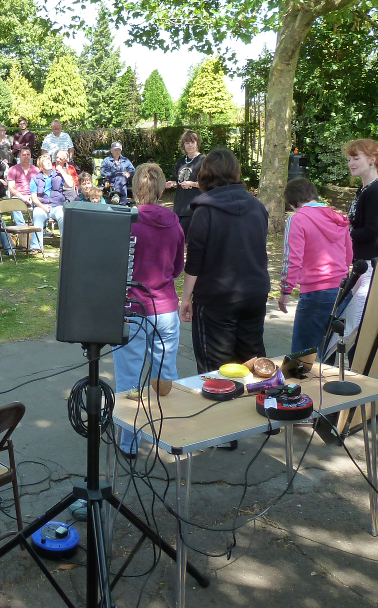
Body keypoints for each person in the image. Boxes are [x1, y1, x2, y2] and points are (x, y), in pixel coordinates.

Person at [111, 164, 185, 456]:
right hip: (164, 308)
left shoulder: (126, 221)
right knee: (165, 376)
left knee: (129, 382)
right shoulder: (174, 223)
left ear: (135, 189)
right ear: (162, 188)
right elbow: (178, 267)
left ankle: (129, 443)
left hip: (133, 308)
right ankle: (169, 435)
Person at [179, 148, 269, 377]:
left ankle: (222, 409)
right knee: (252, 363)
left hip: (217, 298)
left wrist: (186, 297)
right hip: (254, 293)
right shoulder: (257, 206)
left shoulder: (205, 210)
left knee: (216, 371)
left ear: (204, 174)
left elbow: (195, 259)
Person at [276, 178, 353, 355]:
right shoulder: (338, 218)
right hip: (342, 289)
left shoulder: (297, 220)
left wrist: (286, 291)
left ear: (293, 202)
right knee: (329, 351)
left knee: (304, 354)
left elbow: (292, 259)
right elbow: (348, 255)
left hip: (315, 292)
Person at [340, 138, 378, 336]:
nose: (351, 163)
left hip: (373, 267)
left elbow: (372, 230)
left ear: (372, 159)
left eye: (356, 158)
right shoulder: (364, 189)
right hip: (362, 265)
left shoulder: (376, 190)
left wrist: (340, 235)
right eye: (349, 159)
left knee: (360, 328)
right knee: (354, 326)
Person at [166, 129, 204, 237]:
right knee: (179, 238)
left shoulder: (203, 161)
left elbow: (208, 184)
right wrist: (173, 183)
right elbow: (179, 181)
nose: (190, 145)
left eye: (192, 142)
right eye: (187, 143)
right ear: (183, 145)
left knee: (191, 240)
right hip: (180, 207)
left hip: (194, 208)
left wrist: (192, 184)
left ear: (197, 144)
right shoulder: (181, 161)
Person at [29, 154, 69, 252]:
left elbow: (70, 184)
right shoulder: (35, 179)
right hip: (42, 206)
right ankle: (36, 246)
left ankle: (65, 245)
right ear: (41, 166)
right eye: (45, 161)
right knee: (37, 216)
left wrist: (62, 171)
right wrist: (43, 207)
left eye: (49, 161)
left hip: (57, 205)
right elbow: (34, 199)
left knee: (63, 216)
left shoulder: (58, 175)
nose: (49, 162)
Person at [6, 147, 40, 226]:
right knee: (14, 203)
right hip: (18, 196)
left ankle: (39, 227)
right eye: (24, 155)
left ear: (31, 156)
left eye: (28, 154)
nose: (26, 156)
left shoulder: (36, 170)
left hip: (33, 195)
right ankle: (22, 227)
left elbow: (40, 187)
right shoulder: (13, 169)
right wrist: (22, 197)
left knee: (43, 202)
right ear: (19, 156)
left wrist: (33, 196)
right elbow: (11, 187)